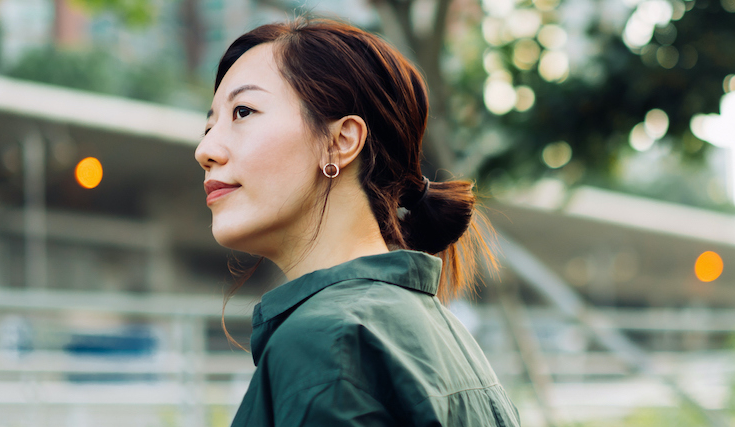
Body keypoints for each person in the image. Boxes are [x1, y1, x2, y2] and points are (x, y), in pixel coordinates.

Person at [194, 16, 521, 427]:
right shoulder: (442, 335)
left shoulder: (327, 342)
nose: (205, 149)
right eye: (209, 126)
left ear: (341, 141)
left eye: (243, 111)